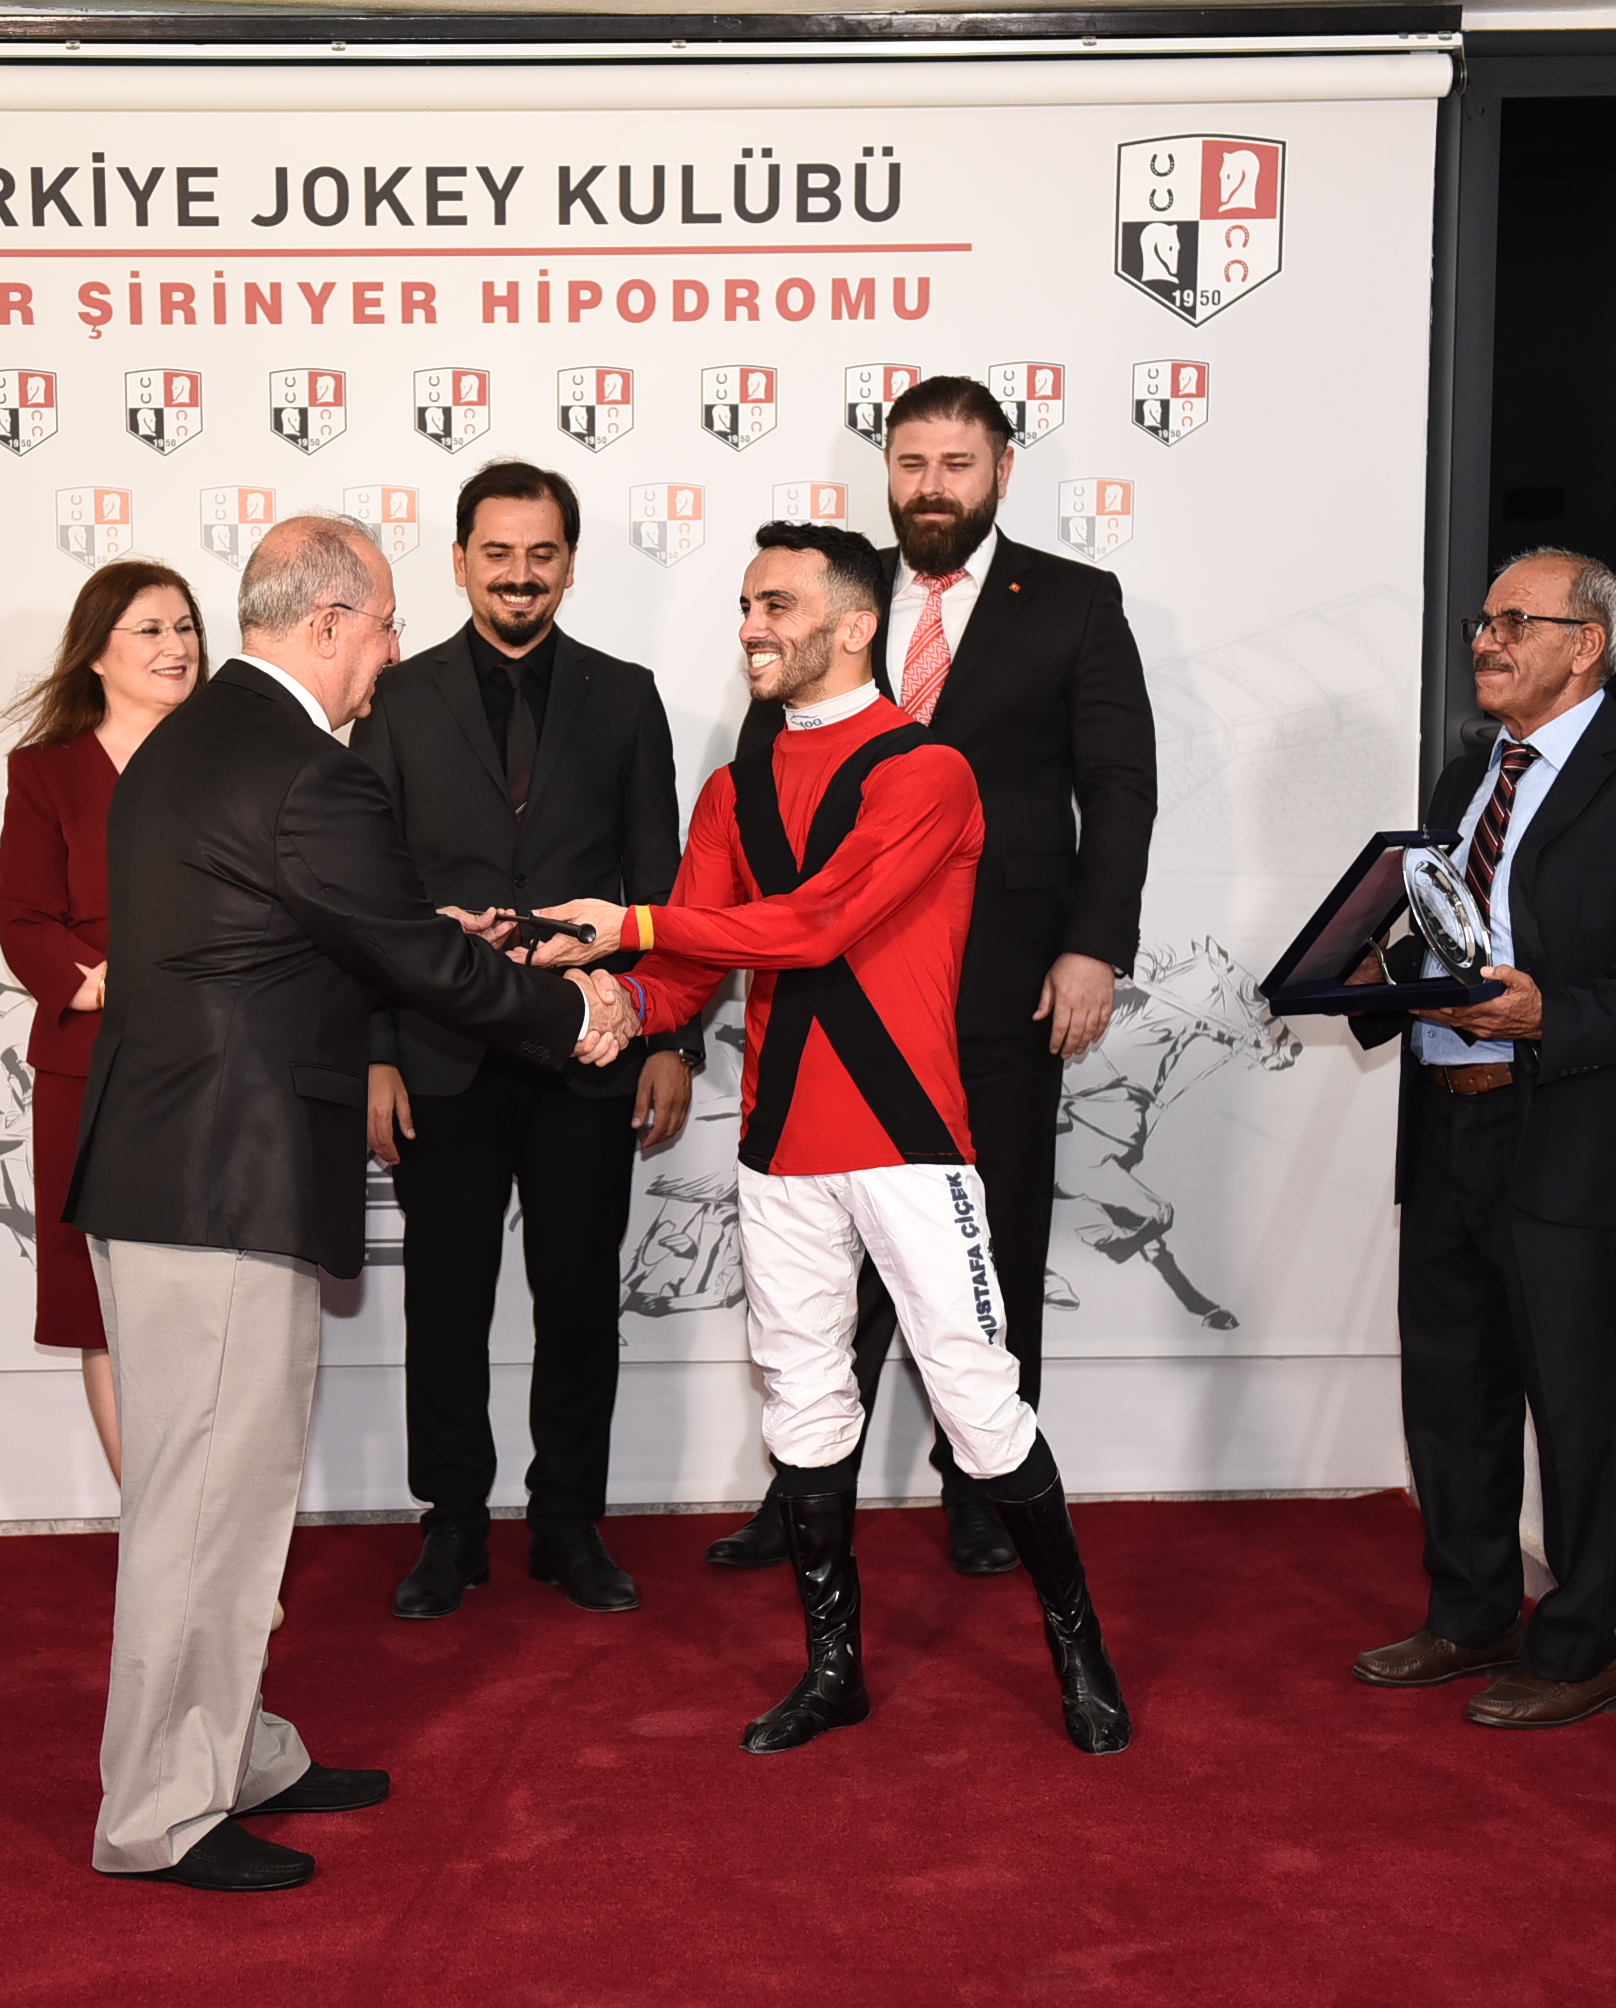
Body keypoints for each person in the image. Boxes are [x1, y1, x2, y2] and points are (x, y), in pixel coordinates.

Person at [65, 516, 637, 1893]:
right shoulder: (303, 768)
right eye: (382, 625)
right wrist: (573, 1012)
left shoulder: (198, 741)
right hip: (220, 1181)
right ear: (325, 624)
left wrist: (437, 938)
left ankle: (235, 1752)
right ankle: (158, 1813)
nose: (390, 652)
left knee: (231, 1495)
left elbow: (302, 931)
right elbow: (391, 954)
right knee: (204, 1506)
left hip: (183, 1171)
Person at [532, 522, 1130, 1758]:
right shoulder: (732, 788)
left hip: (909, 1144)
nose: (751, 624)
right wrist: (610, 1003)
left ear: (855, 626)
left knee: (980, 1406)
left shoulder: (927, 770)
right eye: (746, 603)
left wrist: (631, 924)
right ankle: (832, 1671)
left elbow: (811, 926)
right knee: (803, 1410)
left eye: (777, 605)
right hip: (778, 1151)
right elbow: (689, 965)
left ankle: (1079, 1650)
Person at [708, 372, 1158, 1579]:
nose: (931, 487)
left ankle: (982, 1489)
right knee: (822, 1254)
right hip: (837, 980)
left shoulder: (1071, 601)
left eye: (956, 465)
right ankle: (806, 1489)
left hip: (1003, 979)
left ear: (1000, 470)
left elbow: (1117, 787)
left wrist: (1091, 945)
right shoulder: (833, 587)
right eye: (911, 464)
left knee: (989, 1242)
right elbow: (764, 759)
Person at [1349, 549, 1616, 1728]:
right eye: (1482, 620)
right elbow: (1440, 926)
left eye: (1515, 621)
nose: (1485, 639)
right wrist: (1359, 976)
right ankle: (1469, 1613)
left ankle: (1577, 1646)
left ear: (1585, 643)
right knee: (1450, 1384)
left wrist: (1546, 1017)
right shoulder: (1467, 770)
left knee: (1569, 1399)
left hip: (1565, 1123)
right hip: (1444, 1116)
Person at [351, 462, 695, 1621]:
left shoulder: (625, 697)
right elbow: (370, 893)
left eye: (540, 552)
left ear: (569, 564)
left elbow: (657, 885)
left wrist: (669, 1040)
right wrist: (375, 1050)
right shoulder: (395, 699)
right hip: (438, 1049)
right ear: (458, 561)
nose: (518, 572)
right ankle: (451, 1524)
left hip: (585, 1051)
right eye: (496, 552)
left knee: (579, 1298)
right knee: (444, 1300)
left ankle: (567, 1524)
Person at [0, 559, 209, 1484]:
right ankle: (154, 1525)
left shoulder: (231, 762)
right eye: (150, 629)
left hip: (217, 1063)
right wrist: (115, 985)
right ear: (95, 653)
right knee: (100, 1305)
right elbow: (23, 918)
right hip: (89, 1070)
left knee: (209, 1298)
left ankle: (213, 1527)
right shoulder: (45, 771)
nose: (176, 646)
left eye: (186, 627)